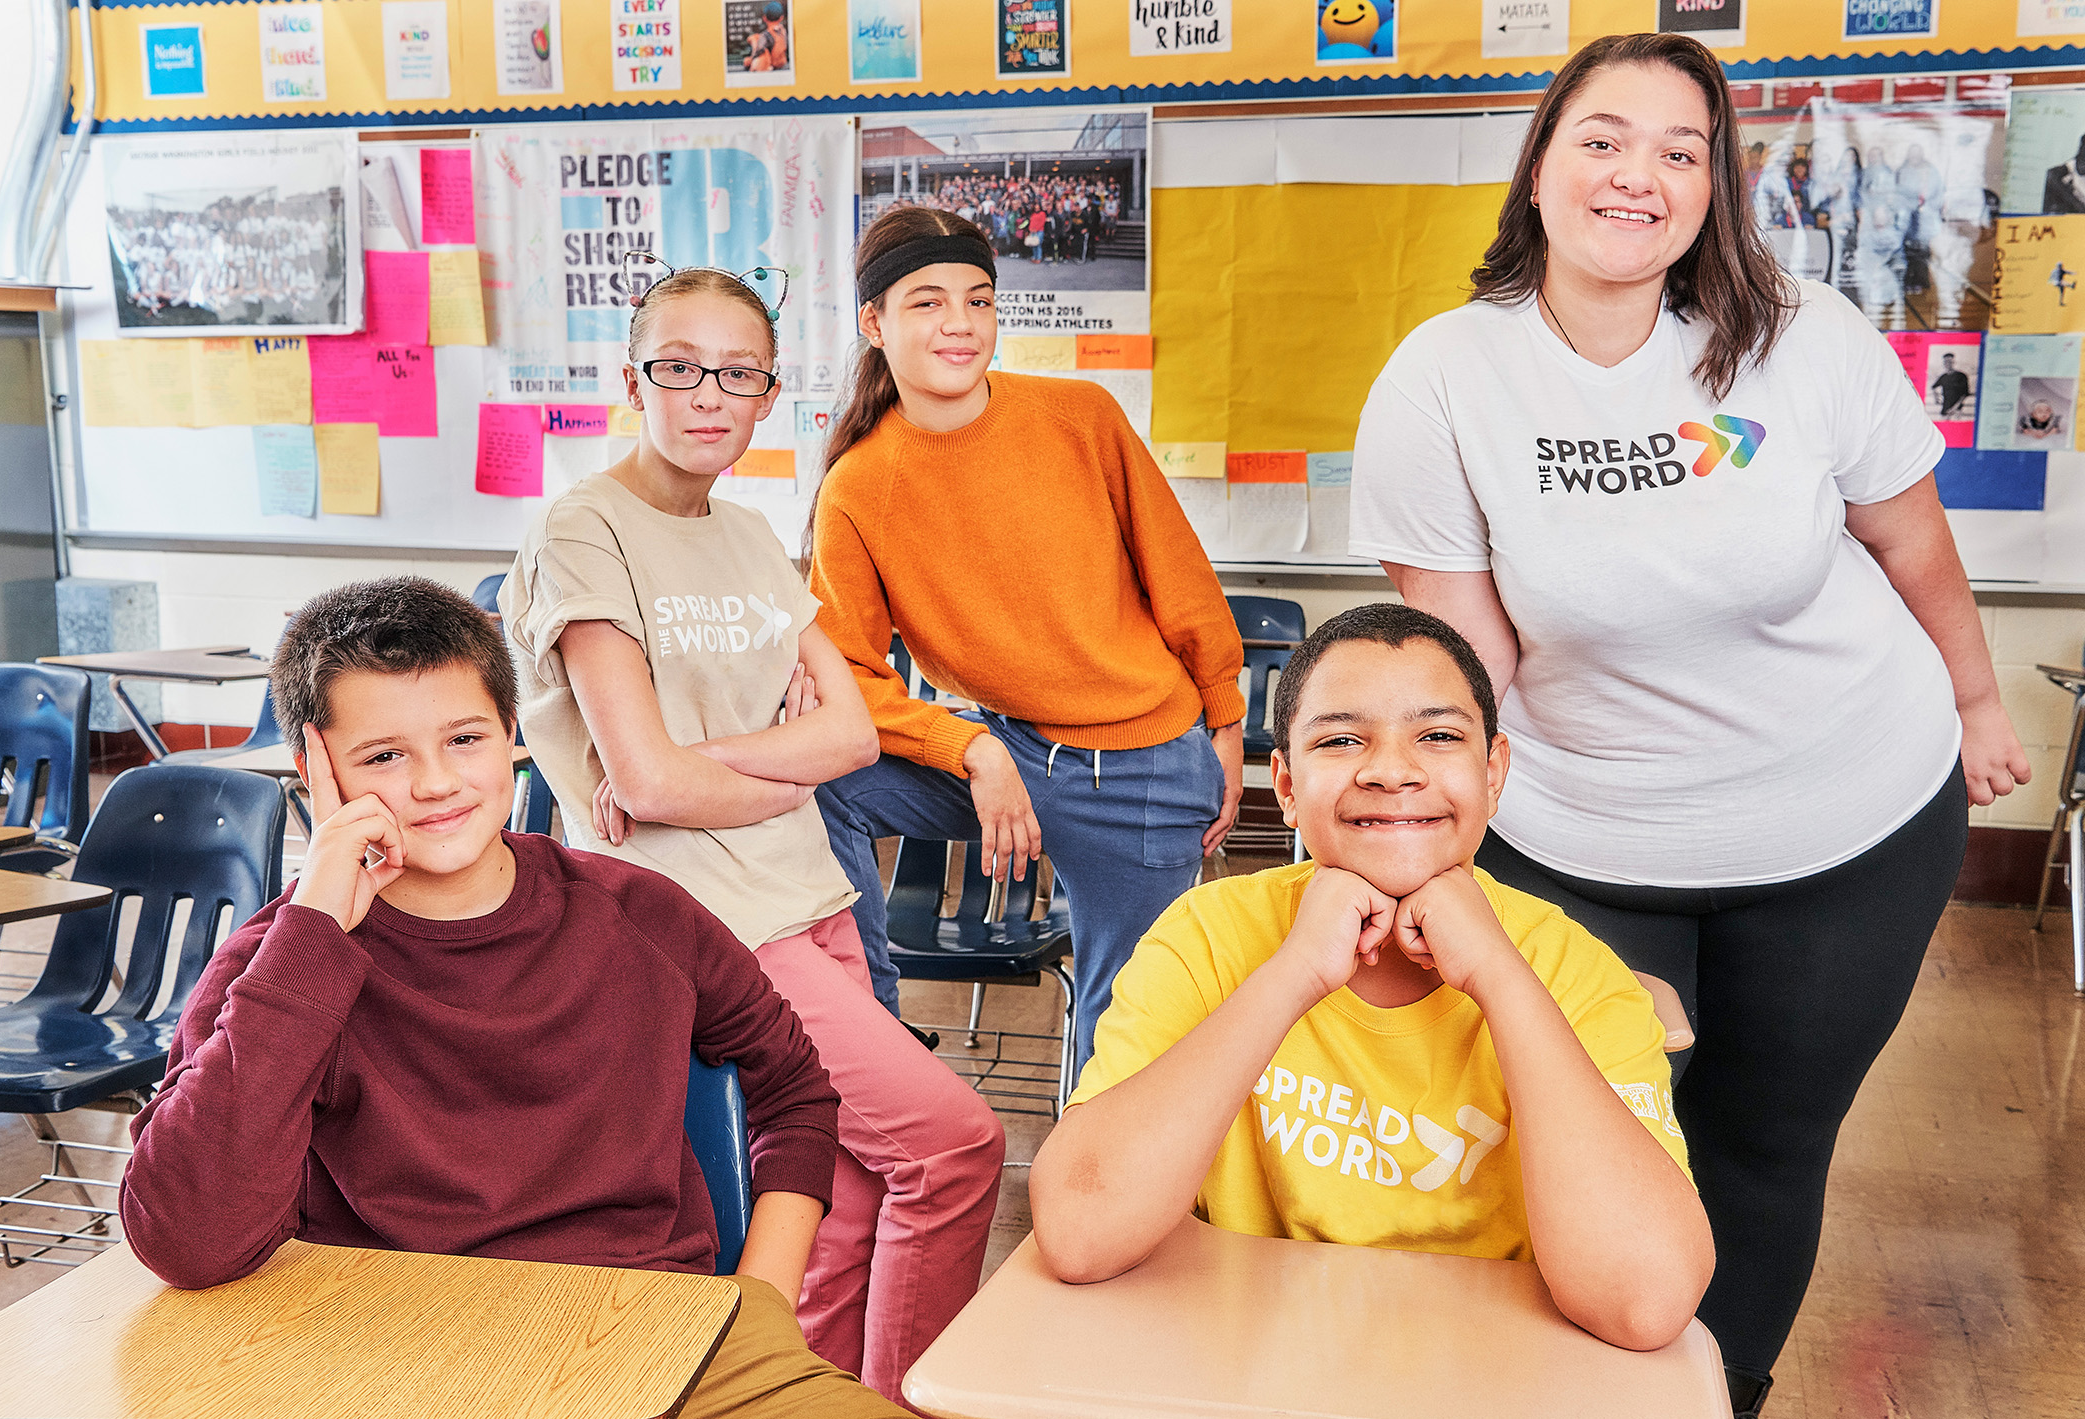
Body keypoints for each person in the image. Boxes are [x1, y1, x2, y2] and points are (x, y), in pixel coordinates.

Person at [1348, 32, 2029, 1418]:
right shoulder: (1446, 378)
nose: (1639, 175)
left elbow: (1913, 546)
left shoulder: (1807, 338)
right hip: (1583, 835)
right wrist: (1424, 838)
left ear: (1715, 188)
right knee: (1579, 1143)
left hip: (1852, 813)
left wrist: (1973, 697)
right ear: (1538, 166)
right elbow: (1465, 659)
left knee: (1766, 1142)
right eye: (1602, 138)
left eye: (1682, 149)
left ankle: (1722, 1397)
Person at [116, 578, 906, 1419]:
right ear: (315, 766)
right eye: (383, 755)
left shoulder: (641, 913)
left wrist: (760, 1304)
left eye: (464, 738)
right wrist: (313, 932)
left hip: (654, 1337)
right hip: (387, 1361)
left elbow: (793, 1086)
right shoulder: (277, 963)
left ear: (510, 733)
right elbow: (187, 1239)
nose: (433, 783)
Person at [501, 263, 1002, 1404]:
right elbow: (645, 782)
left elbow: (853, 741)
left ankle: (795, 1398)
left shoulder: (747, 534)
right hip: (712, 923)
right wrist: (721, 772)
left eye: (736, 375)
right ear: (633, 379)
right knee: (953, 1146)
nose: (707, 397)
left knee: (847, 1189)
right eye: (678, 370)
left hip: (812, 895)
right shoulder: (585, 532)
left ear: (770, 395)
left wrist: (703, 770)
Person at [1028, 604, 1712, 1351]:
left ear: (1493, 774)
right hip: (1236, 1367)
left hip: (1493, 1375)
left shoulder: (1578, 973)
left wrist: (1498, 975)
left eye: (1439, 735)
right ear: (1285, 783)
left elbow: (1644, 1299)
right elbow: (1078, 1230)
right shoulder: (1205, 938)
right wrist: (1293, 972)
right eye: (1342, 738)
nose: (1391, 770)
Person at [808, 204, 1247, 1069]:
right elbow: (848, 675)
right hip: (1008, 756)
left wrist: (1225, 725)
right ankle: (876, 1041)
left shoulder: (1081, 416)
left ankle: (1099, 1201)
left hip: (1145, 767)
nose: (961, 324)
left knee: (1125, 1036)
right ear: (874, 321)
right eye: (928, 302)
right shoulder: (856, 488)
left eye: (978, 299)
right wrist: (971, 750)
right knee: (819, 781)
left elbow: (1181, 578)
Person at [1930, 352, 1971, 418]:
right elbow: (1933, 387)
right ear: (1944, 364)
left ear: (1953, 362)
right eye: (1946, 362)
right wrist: (1936, 398)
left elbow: (1964, 394)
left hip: (1957, 410)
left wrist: (1954, 408)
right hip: (1945, 409)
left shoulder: (1961, 376)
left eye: (1950, 362)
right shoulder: (1943, 377)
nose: (1948, 364)